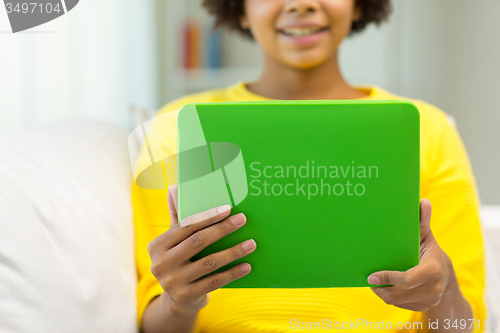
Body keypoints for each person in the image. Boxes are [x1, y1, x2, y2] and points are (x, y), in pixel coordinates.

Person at [132, 1, 486, 332]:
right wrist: (179, 301)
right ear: (239, 8)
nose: (301, 4)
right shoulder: (173, 130)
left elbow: (465, 324)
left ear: (359, 4)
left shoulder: (429, 129)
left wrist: (444, 286)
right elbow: (153, 322)